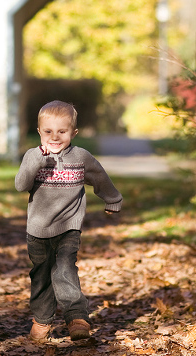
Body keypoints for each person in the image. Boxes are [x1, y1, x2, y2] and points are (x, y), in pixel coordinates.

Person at [15, 100, 122, 343]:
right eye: (48, 131)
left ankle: (77, 317)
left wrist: (112, 198)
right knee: (41, 275)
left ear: (73, 133)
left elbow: (99, 177)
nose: (54, 137)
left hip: (69, 226)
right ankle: (42, 319)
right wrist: (38, 161)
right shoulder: (32, 156)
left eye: (61, 132)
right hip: (37, 229)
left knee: (64, 269)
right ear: (39, 131)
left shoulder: (80, 157)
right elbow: (21, 185)